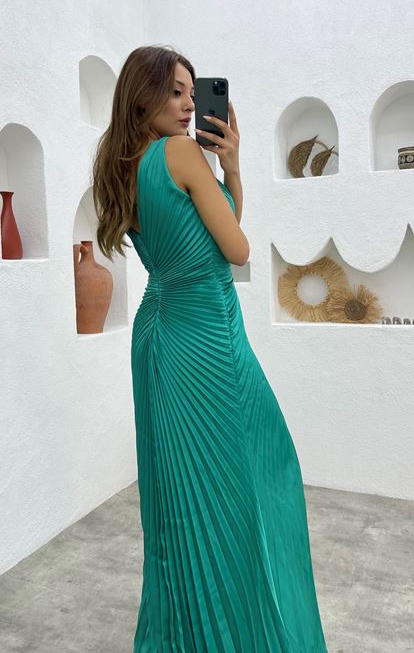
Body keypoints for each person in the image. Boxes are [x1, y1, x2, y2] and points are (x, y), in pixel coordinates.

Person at [92, 45, 328, 652]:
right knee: (259, 475)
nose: (188, 105)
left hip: (159, 335)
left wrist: (232, 170)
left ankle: (192, 629)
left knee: (183, 492)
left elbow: (214, 229)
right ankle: (247, 628)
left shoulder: (120, 162)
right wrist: (226, 168)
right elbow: (238, 249)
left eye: (192, 94)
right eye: (174, 92)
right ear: (141, 94)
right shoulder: (181, 152)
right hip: (205, 336)